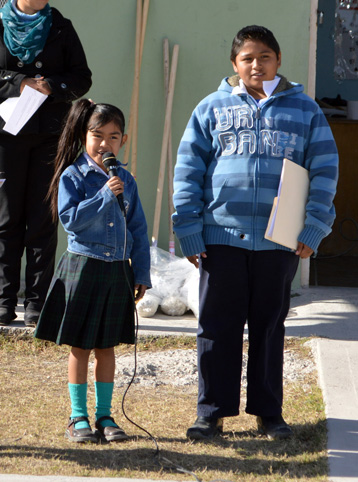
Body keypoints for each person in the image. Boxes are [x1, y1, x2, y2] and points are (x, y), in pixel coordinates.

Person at [172, 25, 338, 441]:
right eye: (247, 58)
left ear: (278, 61)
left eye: (264, 56)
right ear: (234, 64)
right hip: (220, 239)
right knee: (216, 326)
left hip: (279, 241)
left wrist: (314, 227)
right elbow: (188, 170)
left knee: (269, 326)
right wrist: (189, 228)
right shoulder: (210, 108)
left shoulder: (305, 110)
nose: (256, 64)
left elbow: (324, 170)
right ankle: (211, 412)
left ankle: (269, 413)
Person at [0, 0, 92, 328]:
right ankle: (2, 301)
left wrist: (52, 85)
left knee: (43, 217)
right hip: (3, 133)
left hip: (50, 134)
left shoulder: (61, 25)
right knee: (6, 217)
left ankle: (37, 302)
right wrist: (19, 82)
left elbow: (81, 77)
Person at [34, 100, 151, 443]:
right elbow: (71, 221)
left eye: (113, 137)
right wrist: (102, 195)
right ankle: (77, 416)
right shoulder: (73, 175)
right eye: (97, 135)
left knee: (107, 346)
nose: (105, 144)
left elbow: (139, 231)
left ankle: (105, 415)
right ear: (84, 135)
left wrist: (141, 273)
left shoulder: (126, 179)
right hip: (83, 267)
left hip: (116, 271)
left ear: (123, 141)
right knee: (81, 346)